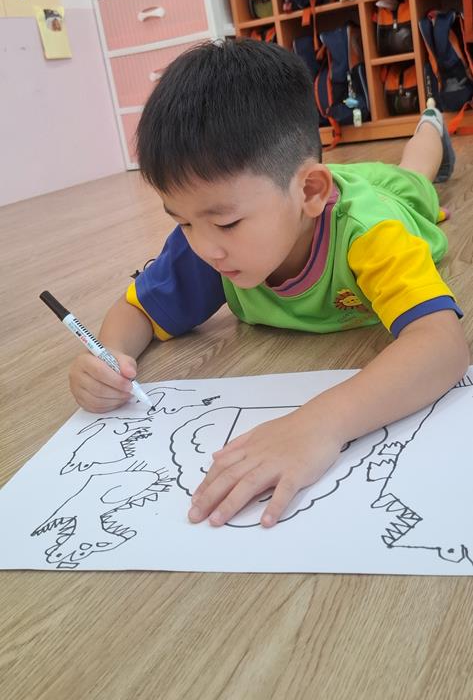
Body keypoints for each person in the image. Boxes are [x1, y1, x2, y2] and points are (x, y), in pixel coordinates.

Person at [69, 39, 469, 527]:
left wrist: (319, 424)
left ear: (310, 192)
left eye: (227, 223)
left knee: (414, 174)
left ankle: (429, 122)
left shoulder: (371, 233)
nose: (205, 247)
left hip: (387, 197)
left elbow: (443, 346)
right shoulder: (208, 241)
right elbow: (136, 310)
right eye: (183, 221)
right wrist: (110, 357)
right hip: (301, 182)